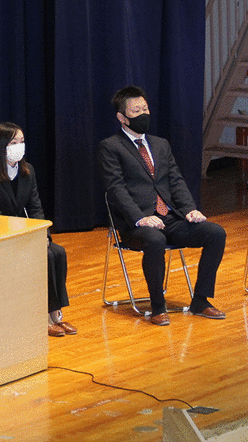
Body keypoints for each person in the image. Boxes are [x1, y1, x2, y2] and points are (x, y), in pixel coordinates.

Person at [97, 85, 227, 326]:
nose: (143, 114)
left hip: (169, 217)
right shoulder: (111, 147)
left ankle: (201, 300)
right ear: (122, 117)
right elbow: (116, 190)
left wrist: (189, 209)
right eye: (136, 110)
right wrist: (140, 218)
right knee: (155, 240)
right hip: (136, 224)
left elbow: (175, 181)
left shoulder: (160, 144)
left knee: (215, 233)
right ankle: (158, 305)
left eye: (145, 108)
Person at [0, 122, 76, 337]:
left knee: (58, 252)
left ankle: (56, 313)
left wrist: (43, 235)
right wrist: (24, 236)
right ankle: (44, 316)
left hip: (28, 233)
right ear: (1, 145)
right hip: (5, 236)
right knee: (46, 257)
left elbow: (36, 207)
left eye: (21, 141)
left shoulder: (27, 171)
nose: (19, 146)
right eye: (13, 142)